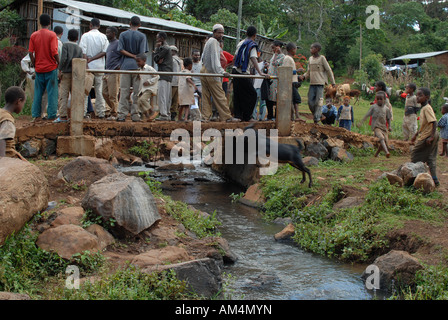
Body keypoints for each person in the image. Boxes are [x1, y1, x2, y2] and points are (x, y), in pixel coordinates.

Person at [200, 24, 239, 122]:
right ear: (214, 33)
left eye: (222, 33)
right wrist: (221, 71)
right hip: (210, 71)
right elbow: (215, 59)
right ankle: (226, 116)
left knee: (206, 95)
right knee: (220, 94)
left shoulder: (209, 41)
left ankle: (205, 116)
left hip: (204, 70)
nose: (221, 35)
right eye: (219, 32)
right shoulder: (213, 42)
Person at [116, 16, 149, 122]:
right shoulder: (142, 36)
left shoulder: (123, 34)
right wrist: (135, 57)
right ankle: (135, 114)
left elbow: (120, 49)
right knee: (136, 92)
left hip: (125, 66)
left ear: (129, 23)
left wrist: (130, 55)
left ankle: (122, 114)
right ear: (139, 25)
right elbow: (142, 53)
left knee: (124, 91)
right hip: (137, 67)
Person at [232, 26, 267, 122]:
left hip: (235, 70)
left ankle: (238, 116)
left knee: (238, 94)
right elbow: (253, 59)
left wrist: (231, 67)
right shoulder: (252, 45)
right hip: (243, 72)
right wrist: (260, 72)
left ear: (246, 33)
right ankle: (247, 116)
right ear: (255, 35)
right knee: (252, 94)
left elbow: (234, 58)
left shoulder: (241, 43)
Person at [29, 13, 59, 122]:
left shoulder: (34, 35)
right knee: (52, 92)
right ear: (50, 23)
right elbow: (54, 51)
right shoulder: (52, 35)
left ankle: (36, 115)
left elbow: (30, 53)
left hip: (39, 69)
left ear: (40, 22)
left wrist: (35, 63)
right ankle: (51, 115)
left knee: (38, 92)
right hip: (51, 68)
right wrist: (58, 62)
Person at [79, 18, 109, 119]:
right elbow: (105, 52)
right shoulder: (103, 37)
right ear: (99, 26)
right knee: (99, 90)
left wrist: (87, 62)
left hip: (88, 67)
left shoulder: (85, 36)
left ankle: (83, 112)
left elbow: (83, 51)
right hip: (100, 67)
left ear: (90, 25)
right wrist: (93, 58)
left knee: (86, 90)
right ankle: (101, 113)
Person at [299, 42, 336, 124]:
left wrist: (332, 82)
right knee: (310, 102)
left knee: (318, 102)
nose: (310, 50)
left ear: (317, 49)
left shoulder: (322, 58)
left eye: (312, 48)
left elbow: (328, 70)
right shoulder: (310, 59)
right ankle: (319, 115)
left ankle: (316, 119)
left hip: (320, 83)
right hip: (312, 83)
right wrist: (304, 77)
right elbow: (308, 72)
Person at [410, 87, 440, 186]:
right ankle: (434, 179)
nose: (417, 97)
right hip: (429, 134)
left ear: (426, 97)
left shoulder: (427, 108)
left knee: (415, 155)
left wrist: (431, 137)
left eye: (420, 95)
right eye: (417, 95)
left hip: (429, 135)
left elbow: (434, 122)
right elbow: (424, 125)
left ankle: (416, 178)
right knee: (430, 157)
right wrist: (415, 135)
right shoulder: (424, 108)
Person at [54, 29, 83, 123]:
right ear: (77, 38)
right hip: (75, 74)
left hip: (66, 73)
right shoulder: (79, 48)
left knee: (63, 94)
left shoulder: (65, 45)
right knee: (75, 95)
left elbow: (63, 59)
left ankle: (63, 116)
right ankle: (75, 115)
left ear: (67, 36)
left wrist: (60, 69)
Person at [357, 91, 392, 158]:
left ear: (384, 99)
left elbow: (388, 118)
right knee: (381, 138)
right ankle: (387, 152)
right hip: (376, 127)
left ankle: (376, 154)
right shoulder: (373, 107)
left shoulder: (386, 109)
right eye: (377, 99)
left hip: (383, 127)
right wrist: (361, 122)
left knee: (384, 141)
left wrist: (389, 126)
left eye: (380, 99)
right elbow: (367, 115)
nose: (379, 100)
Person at [0, 86, 27, 160]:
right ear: (19, 101)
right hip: (7, 155)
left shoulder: (1, 112)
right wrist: (3, 161)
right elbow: (2, 139)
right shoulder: (7, 119)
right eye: (23, 103)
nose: (23, 106)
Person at [153, 32, 173, 121]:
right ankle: (167, 113)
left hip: (163, 73)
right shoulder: (167, 48)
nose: (157, 39)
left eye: (157, 38)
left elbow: (156, 58)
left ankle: (163, 114)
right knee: (167, 95)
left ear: (161, 38)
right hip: (168, 74)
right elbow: (157, 60)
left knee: (162, 95)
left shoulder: (164, 48)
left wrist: (156, 49)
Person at [21, 53, 48, 118]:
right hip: (33, 73)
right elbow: (23, 61)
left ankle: (41, 113)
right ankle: (36, 113)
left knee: (43, 94)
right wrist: (28, 71)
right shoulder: (34, 52)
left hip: (44, 72)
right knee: (35, 94)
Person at [103, 26, 121, 120]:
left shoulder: (118, 43)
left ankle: (114, 114)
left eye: (108, 32)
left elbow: (123, 55)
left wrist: (119, 66)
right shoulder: (109, 44)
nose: (107, 34)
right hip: (107, 72)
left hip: (114, 72)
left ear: (114, 33)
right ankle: (114, 110)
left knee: (113, 94)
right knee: (104, 93)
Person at [135, 53, 159, 122]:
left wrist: (149, 82)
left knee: (143, 99)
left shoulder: (149, 68)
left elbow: (157, 76)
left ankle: (152, 111)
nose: (137, 63)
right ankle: (147, 116)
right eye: (136, 61)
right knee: (139, 102)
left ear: (144, 60)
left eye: (138, 61)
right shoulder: (140, 70)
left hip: (149, 88)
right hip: (143, 89)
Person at [283, 42, 303, 121]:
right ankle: (295, 116)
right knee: (295, 99)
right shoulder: (288, 58)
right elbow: (287, 71)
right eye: (295, 49)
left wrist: (297, 76)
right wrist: (297, 71)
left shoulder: (289, 58)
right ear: (292, 50)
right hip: (290, 82)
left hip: (293, 81)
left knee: (294, 100)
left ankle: (294, 116)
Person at [266, 40, 285, 121]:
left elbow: (274, 63)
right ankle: (269, 115)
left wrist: (276, 53)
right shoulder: (274, 55)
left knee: (276, 99)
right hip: (271, 79)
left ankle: (276, 116)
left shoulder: (282, 56)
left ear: (278, 47)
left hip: (276, 80)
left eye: (274, 48)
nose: (273, 50)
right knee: (269, 97)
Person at [178, 57, 197, 122]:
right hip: (186, 91)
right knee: (187, 105)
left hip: (181, 91)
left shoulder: (181, 72)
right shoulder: (188, 72)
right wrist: (193, 84)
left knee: (181, 105)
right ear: (190, 65)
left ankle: (179, 118)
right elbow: (188, 79)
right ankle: (185, 118)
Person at [170, 45, 183, 121]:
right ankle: (173, 114)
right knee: (174, 100)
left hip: (173, 81)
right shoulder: (179, 60)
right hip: (177, 81)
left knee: (171, 99)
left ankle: (172, 114)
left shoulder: (172, 60)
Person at [252, 56, 267, 121]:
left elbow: (266, 70)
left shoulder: (264, 63)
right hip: (255, 85)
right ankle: (254, 116)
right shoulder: (253, 66)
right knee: (254, 102)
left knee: (262, 102)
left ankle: (261, 117)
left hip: (261, 86)